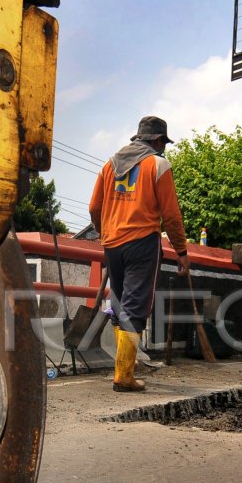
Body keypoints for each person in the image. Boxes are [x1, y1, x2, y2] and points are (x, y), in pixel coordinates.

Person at [89, 115, 190, 392]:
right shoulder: (158, 164)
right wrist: (181, 250)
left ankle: (123, 369)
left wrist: (104, 232)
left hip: (112, 244)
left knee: (120, 303)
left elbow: (94, 207)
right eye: (164, 143)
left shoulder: (109, 165)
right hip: (142, 244)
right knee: (134, 308)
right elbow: (170, 215)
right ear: (158, 141)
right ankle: (123, 376)